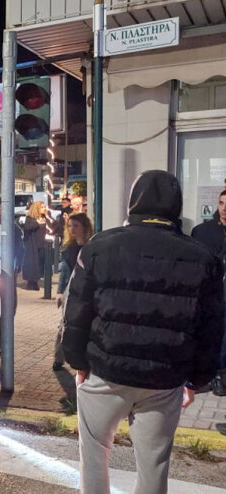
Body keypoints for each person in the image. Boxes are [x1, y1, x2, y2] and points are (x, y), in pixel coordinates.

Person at [63, 171, 224, 493]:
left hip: (106, 372)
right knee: (154, 464)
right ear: (175, 206)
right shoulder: (202, 257)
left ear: (133, 203)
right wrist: (198, 379)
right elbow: (211, 326)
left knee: (94, 454)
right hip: (165, 378)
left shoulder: (100, 246)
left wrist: (77, 360)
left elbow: (77, 311)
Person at [191, 189, 226, 398]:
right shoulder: (203, 231)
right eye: (221, 203)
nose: (224, 207)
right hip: (208, 295)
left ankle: (219, 376)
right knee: (207, 335)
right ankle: (206, 376)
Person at [52, 213, 92, 371]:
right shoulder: (69, 247)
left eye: (76, 226)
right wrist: (60, 292)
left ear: (84, 227)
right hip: (71, 288)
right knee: (65, 323)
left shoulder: (91, 246)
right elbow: (64, 272)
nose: (72, 229)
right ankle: (58, 358)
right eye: (70, 226)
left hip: (86, 288)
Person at [22, 201, 47, 291]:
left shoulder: (44, 218)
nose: (44, 208)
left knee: (39, 263)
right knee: (32, 264)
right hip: (32, 244)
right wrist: (37, 222)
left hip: (42, 243)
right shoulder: (30, 218)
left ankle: (36, 280)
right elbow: (27, 228)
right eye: (42, 207)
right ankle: (31, 282)